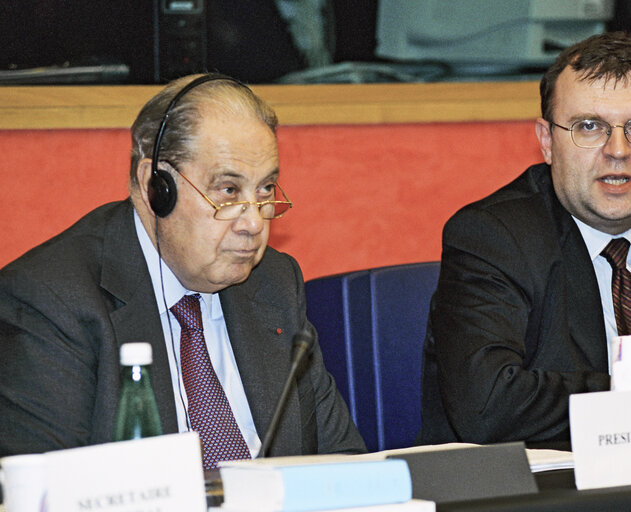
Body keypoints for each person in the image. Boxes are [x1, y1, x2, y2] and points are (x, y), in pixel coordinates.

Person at [0, 74, 366, 465]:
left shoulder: (273, 283)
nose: (255, 223)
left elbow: (343, 462)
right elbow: (43, 495)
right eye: (228, 191)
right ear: (155, 187)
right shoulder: (52, 300)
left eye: (264, 191)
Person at [419, 32, 631, 444]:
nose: (617, 150)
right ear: (547, 141)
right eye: (589, 126)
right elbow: (488, 403)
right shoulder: (493, 238)